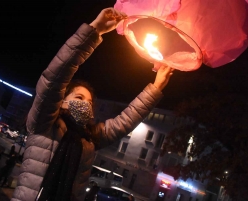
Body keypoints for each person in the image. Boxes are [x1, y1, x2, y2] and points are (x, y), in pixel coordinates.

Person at [11, 7, 173, 201]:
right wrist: (94, 30)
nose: (86, 105)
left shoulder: (91, 139)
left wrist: (156, 87)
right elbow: (55, 77)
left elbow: (127, 119)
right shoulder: (43, 124)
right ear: (62, 102)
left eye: (89, 102)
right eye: (79, 98)